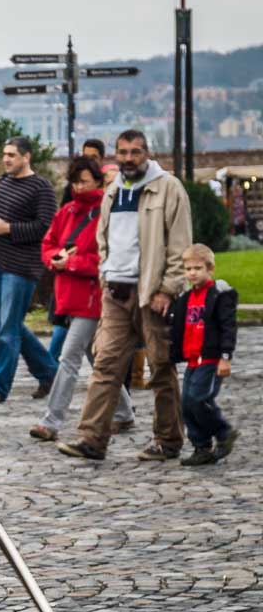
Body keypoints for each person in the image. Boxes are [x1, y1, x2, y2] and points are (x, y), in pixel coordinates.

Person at [58, 130, 192, 462]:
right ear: (115, 155)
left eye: (135, 152)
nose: (128, 158)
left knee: (161, 367)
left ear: (147, 153)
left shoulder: (168, 188)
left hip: (151, 292)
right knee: (105, 365)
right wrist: (105, 274)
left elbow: (180, 244)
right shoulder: (114, 190)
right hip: (115, 292)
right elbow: (104, 238)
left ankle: (168, 439)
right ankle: (92, 439)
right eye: (123, 152)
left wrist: (167, 289)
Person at [28, 158, 134, 442]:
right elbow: (48, 244)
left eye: (84, 181)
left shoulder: (106, 213)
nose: (78, 187)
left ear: (97, 181)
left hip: (92, 298)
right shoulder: (66, 212)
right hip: (69, 296)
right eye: (75, 182)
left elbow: (107, 258)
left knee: (69, 358)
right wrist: (56, 259)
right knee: (97, 359)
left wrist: (71, 263)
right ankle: (124, 412)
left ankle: (51, 421)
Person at [0, 137, 58, 403]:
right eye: (4, 154)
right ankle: (50, 373)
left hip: (22, 267)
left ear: (26, 157)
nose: (6, 159)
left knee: (9, 330)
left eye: (11, 155)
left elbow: (47, 227)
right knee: (7, 326)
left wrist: (8, 228)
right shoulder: (4, 182)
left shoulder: (41, 188)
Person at [168, 244, 238, 466]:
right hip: (192, 360)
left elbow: (228, 328)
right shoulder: (186, 298)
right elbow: (178, 326)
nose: (192, 273)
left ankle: (224, 431)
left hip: (210, 359)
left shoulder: (218, 296)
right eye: (188, 269)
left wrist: (225, 357)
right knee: (187, 405)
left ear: (210, 269)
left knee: (199, 399)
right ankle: (201, 446)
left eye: (198, 268)